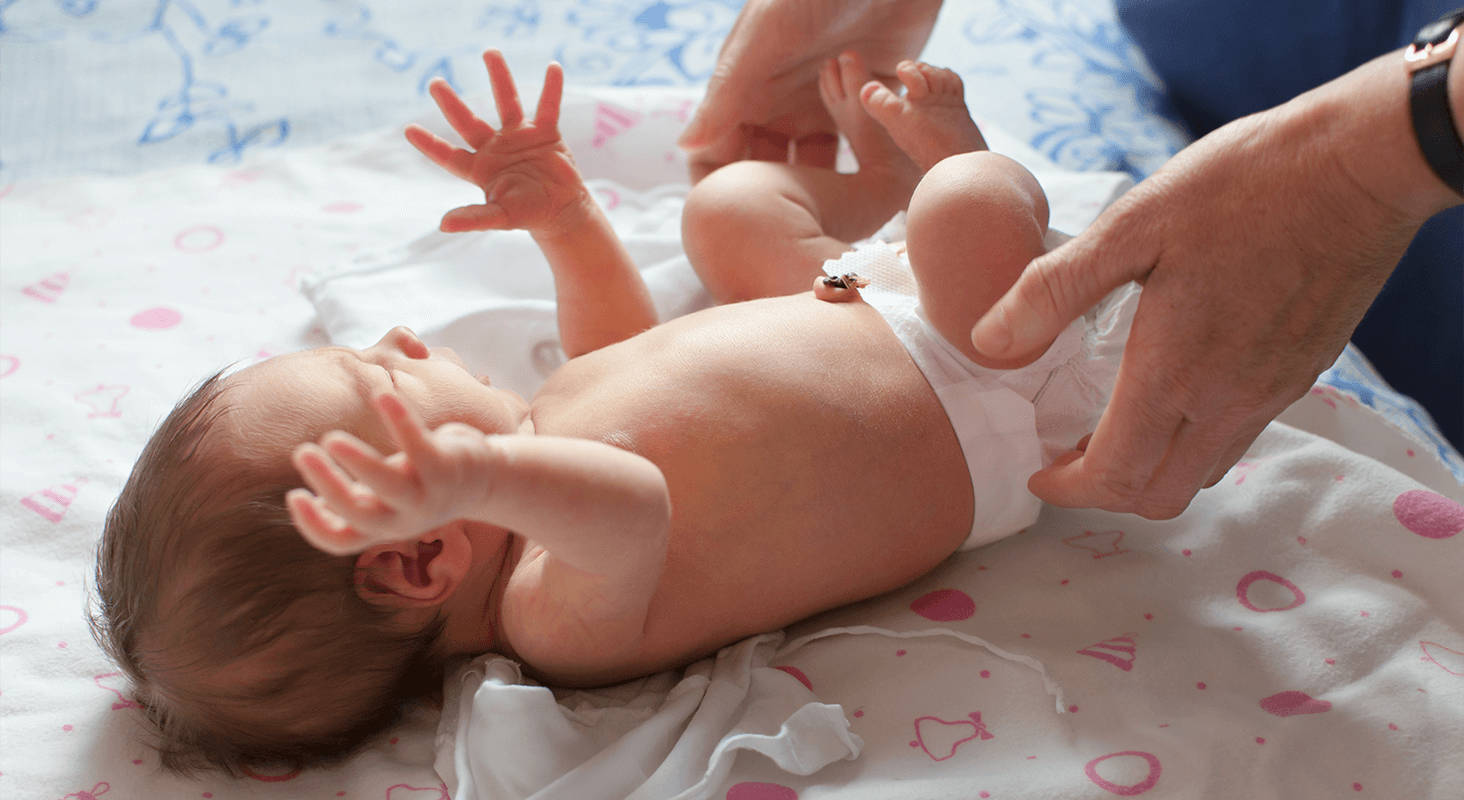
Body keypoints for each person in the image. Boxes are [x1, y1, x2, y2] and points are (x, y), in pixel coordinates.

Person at [92, 48, 1132, 773]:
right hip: (992, 390)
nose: (404, 340)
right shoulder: (557, 619)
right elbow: (631, 499)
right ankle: (960, 169)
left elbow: (618, 349)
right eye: (384, 382)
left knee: (721, 211)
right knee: (963, 207)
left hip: (864, 296)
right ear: (418, 560)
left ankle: (903, 197)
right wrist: (484, 474)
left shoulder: (540, 440)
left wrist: (568, 221)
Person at [679, 0, 1464, 520]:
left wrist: (1378, 153)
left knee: (936, 207)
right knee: (728, 211)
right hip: (925, 391)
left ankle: (933, 177)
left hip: (933, 365)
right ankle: (912, 183)